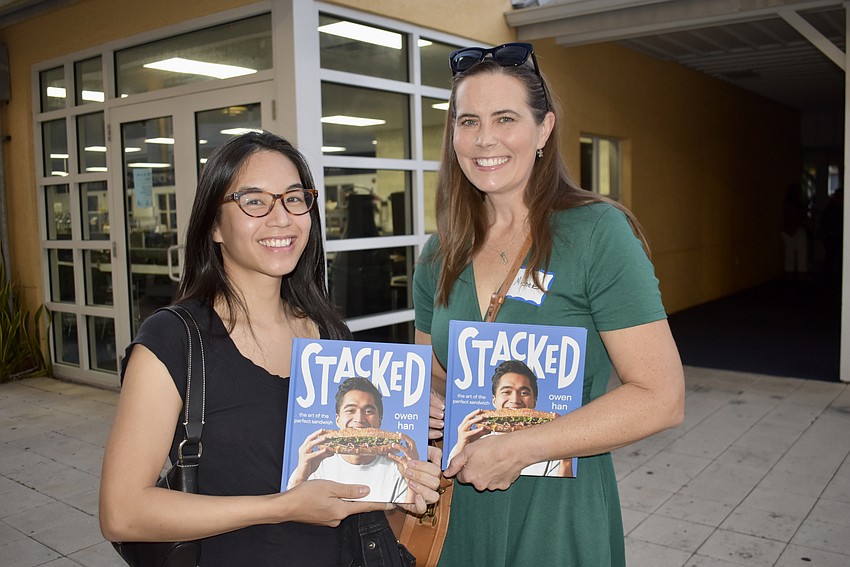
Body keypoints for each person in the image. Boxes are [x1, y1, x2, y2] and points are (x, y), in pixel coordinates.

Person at [99, 131, 442, 567]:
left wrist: (403, 482)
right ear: (214, 225)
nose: (281, 218)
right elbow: (121, 513)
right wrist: (282, 505)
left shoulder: (328, 332)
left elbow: (351, 493)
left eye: (294, 198)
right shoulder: (173, 341)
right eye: (254, 201)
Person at [413, 43, 685, 566]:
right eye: (467, 121)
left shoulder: (596, 234)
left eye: (505, 118)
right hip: (454, 510)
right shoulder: (439, 252)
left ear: (543, 130)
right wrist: (425, 401)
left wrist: (520, 447)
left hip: (556, 512)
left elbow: (661, 396)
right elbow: (435, 373)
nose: (485, 138)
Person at [287, 376, 416, 503]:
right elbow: (291, 512)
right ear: (338, 419)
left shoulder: (398, 469)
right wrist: (301, 478)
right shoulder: (314, 466)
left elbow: (408, 517)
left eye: (369, 411)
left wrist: (413, 481)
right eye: (350, 410)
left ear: (379, 420)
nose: (359, 419)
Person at [448, 359, 570, 477]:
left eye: (524, 393)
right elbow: (450, 479)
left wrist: (566, 452)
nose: (515, 400)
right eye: (506, 392)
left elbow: (561, 488)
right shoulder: (474, 442)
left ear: (534, 400)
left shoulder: (552, 445)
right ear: (494, 400)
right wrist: (462, 446)